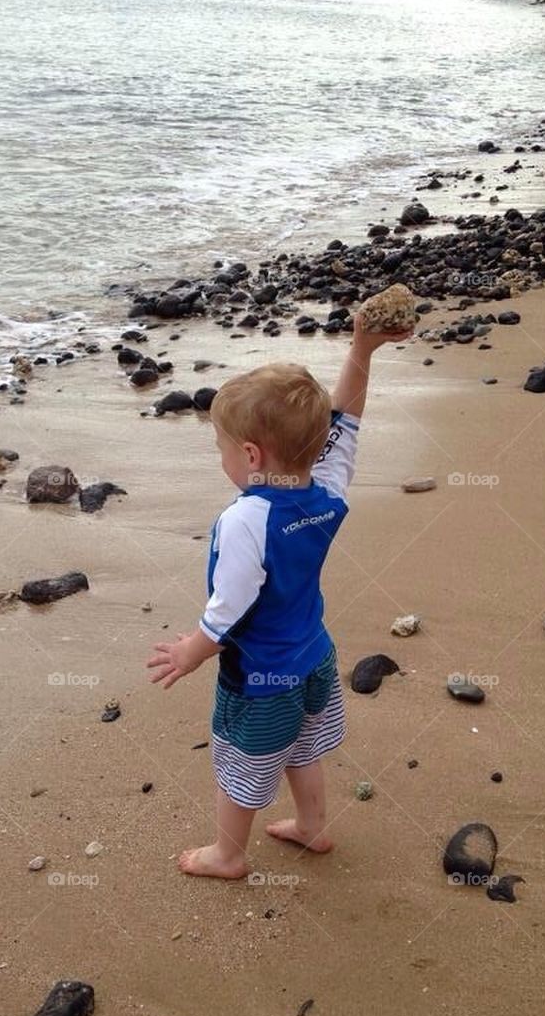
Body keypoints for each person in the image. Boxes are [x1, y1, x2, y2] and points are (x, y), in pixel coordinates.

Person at [147, 322, 407, 878]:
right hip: (314, 658)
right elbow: (347, 422)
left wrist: (194, 649)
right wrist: (362, 348)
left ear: (250, 454)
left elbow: (232, 604)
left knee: (240, 764)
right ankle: (312, 828)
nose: (222, 460)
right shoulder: (327, 491)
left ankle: (228, 854)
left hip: (260, 678)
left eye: (222, 449)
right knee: (303, 748)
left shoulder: (246, 519)